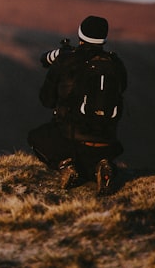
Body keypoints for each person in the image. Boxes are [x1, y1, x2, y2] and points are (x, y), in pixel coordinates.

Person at [28, 15, 127, 195]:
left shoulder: (67, 61)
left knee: (36, 137)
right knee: (92, 158)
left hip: (71, 139)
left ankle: (67, 166)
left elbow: (46, 100)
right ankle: (101, 166)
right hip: (108, 143)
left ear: (80, 34)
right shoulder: (115, 64)